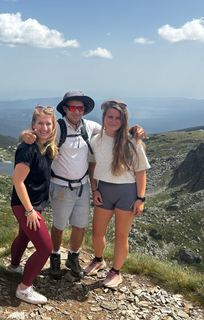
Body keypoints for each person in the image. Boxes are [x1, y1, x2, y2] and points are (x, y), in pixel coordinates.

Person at [19, 90, 145, 281]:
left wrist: (135, 131)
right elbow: (38, 134)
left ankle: (73, 257)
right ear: (65, 109)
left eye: (80, 107)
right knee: (59, 225)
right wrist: (23, 136)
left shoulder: (90, 126)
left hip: (83, 187)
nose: (76, 111)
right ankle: (55, 256)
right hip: (61, 186)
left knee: (80, 226)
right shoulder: (58, 128)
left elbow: (113, 131)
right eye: (72, 107)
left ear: (84, 110)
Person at [85, 100, 150, 288]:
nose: (113, 121)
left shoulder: (132, 141)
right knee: (97, 233)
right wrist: (95, 189)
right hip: (103, 190)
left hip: (127, 193)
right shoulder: (96, 140)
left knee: (121, 236)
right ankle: (99, 259)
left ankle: (116, 272)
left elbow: (140, 171)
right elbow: (92, 166)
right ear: (104, 118)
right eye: (110, 117)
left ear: (124, 120)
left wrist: (140, 198)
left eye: (118, 118)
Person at [10, 106, 58, 304]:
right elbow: (18, 181)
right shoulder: (28, 149)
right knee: (45, 248)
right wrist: (30, 211)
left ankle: (13, 268)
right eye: (40, 123)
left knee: (24, 236)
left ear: (53, 126)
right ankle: (24, 289)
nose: (45, 127)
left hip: (31, 204)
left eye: (48, 123)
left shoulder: (45, 148)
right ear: (33, 125)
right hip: (26, 205)